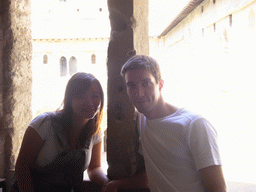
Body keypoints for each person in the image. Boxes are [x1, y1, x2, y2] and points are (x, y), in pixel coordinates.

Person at [104, 55, 226, 192]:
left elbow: (217, 188)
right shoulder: (142, 120)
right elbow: (152, 176)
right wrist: (118, 184)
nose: (138, 93)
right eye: (131, 85)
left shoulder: (194, 125)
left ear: (160, 84)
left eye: (146, 83)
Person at [12, 72, 110, 192]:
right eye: (81, 96)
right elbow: (22, 166)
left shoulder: (95, 131)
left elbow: (94, 167)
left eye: (95, 96)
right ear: (70, 99)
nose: (89, 102)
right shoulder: (45, 124)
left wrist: (108, 183)